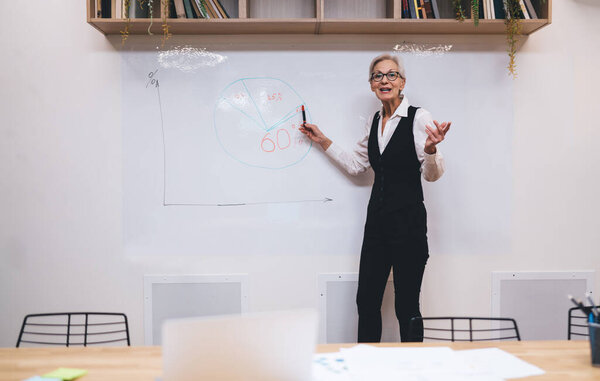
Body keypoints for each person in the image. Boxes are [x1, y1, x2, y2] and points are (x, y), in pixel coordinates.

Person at [299, 54, 451, 343]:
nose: (385, 80)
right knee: (366, 304)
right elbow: (358, 166)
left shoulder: (419, 117)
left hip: (409, 226)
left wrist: (431, 150)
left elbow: (432, 176)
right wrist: (322, 141)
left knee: (407, 307)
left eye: (392, 75)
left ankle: (414, 371)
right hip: (377, 225)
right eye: (378, 76)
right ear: (371, 85)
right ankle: (365, 369)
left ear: (402, 82)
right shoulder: (374, 121)